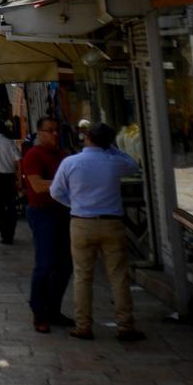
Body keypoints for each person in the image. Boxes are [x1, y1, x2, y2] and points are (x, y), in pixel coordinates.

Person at [52, 121, 143, 341]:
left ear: (87, 137)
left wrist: (75, 204)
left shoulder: (70, 162)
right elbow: (133, 164)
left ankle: (83, 325)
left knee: (83, 275)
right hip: (112, 223)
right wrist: (110, 147)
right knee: (118, 275)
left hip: (82, 222)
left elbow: (55, 192)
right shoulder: (113, 162)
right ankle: (125, 325)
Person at [19, 114, 73, 333]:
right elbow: (37, 185)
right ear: (39, 133)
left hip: (63, 212)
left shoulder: (63, 155)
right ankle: (39, 312)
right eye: (49, 130)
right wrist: (66, 183)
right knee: (45, 262)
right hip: (42, 213)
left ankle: (54, 309)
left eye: (56, 130)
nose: (54, 134)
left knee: (65, 265)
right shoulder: (34, 155)